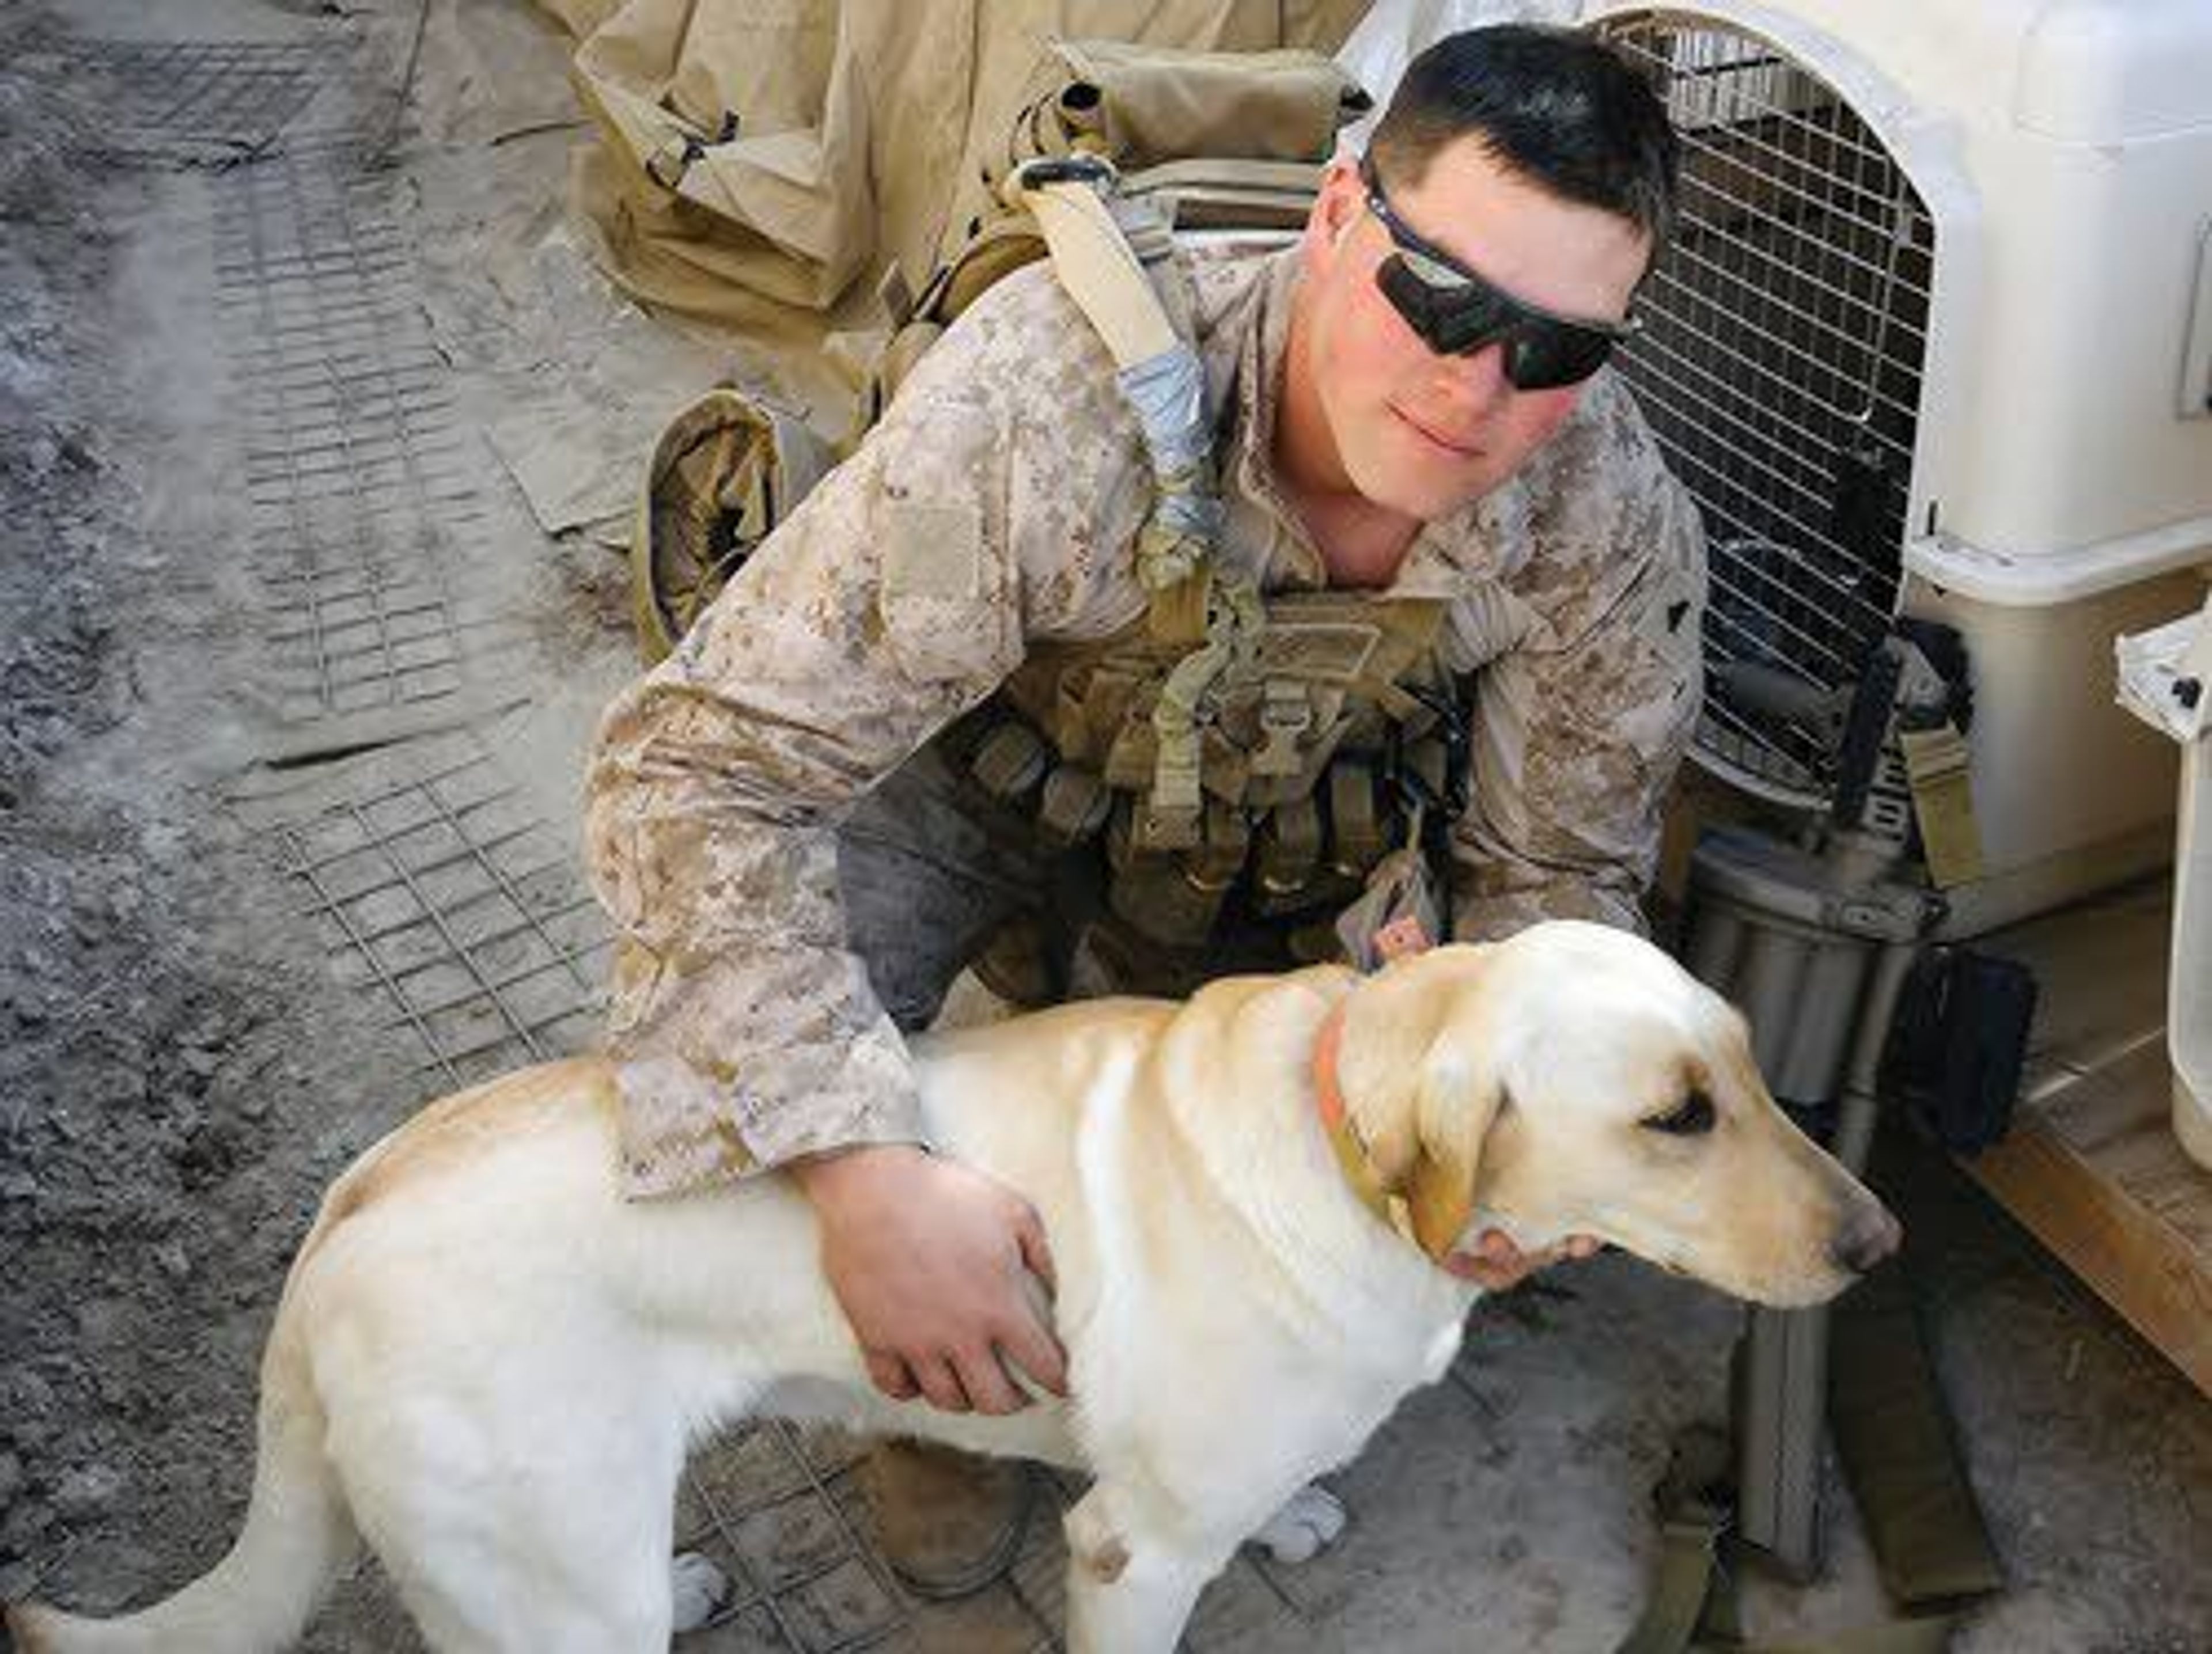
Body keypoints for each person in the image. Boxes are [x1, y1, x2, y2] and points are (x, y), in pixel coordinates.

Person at [584, 22, 1703, 1599]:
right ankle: (925, 1392)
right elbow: (700, 770)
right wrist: (859, 1166)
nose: (1479, 384)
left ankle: (1141, 1401)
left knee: (1264, 1191)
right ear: (1334, 219)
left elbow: (1561, 886)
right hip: (970, 786)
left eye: (1557, 349)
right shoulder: (1060, 406)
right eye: (1437, 295)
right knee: (752, 1051)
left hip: (1273, 841)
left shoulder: (1601, 510)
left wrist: (1513, 1116)